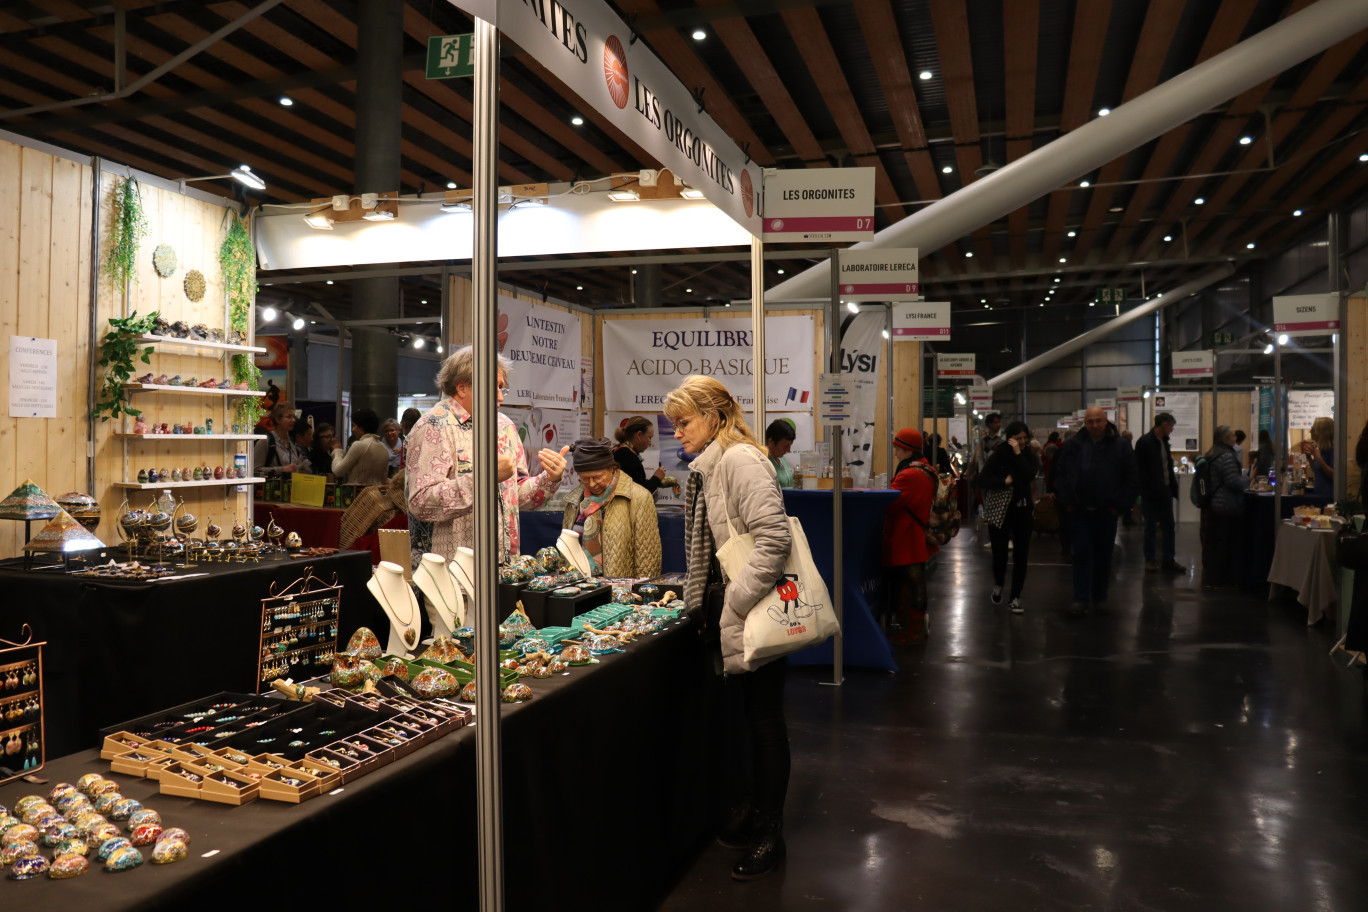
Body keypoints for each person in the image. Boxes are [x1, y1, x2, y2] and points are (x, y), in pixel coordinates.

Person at [666, 374, 791, 882]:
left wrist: (734, 603)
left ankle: (770, 833)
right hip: (734, 611)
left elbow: (774, 540)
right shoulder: (712, 467)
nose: (677, 433)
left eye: (685, 422)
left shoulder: (739, 461)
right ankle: (751, 811)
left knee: (764, 724)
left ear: (716, 417)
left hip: (752, 610)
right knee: (746, 721)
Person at [406, 346, 568, 563]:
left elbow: (515, 495)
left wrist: (549, 479)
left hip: (502, 568)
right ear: (462, 388)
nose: (500, 397)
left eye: (502, 388)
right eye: (493, 387)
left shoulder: (505, 427)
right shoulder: (434, 426)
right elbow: (421, 502)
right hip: (452, 575)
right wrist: (484, 478)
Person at [1053, 406, 1137, 616]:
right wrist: (1067, 501)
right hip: (1079, 510)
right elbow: (1060, 474)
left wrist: (1120, 506)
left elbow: (1131, 477)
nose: (1094, 425)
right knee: (1080, 554)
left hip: (1107, 511)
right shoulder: (1073, 445)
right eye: (1090, 421)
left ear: (1106, 421)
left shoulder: (1121, 446)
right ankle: (1080, 598)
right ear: (1085, 422)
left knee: (1103, 556)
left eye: (1098, 421)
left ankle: (1100, 598)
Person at [560, 437, 662, 579]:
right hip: (579, 588)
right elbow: (566, 549)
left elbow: (647, 557)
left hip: (620, 593)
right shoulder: (574, 500)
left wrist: (641, 593)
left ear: (612, 468)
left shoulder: (639, 497)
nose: (592, 484)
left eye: (597, 477)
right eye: (584, 478)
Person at [882, 428, 937, 641]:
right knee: (915, 583)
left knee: (911, 585)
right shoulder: (925, 469)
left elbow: (891, 504)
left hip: (906, 537)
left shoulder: (908, 475)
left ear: (907, 450)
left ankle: (911, 631)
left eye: (898, 449)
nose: (895, 453)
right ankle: (914, 628)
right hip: (917, 535)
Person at [978, 421, 1038, 614]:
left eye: (1024, 438)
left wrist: (1019, 453)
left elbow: (1029, 475)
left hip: (1022, 510)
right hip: (1001, 509)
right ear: (1010, 437)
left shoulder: (1028, 455)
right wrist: (1003, 482)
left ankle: (1016, 597)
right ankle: (999, 583)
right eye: (1018, 438)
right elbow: (982, 479)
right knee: (999, 553)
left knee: (1021, 554)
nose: (1021, 442)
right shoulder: (1000, 453)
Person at [1134, 412, 1185, 573]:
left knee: (1168, 526)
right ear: (1164, 425)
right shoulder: (1145, 442)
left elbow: (1166, 466)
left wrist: (1171, 487)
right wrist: (1143, 489)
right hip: (1150, 492)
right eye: (1171, 426)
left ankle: (1168, 560)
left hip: (1165, 490)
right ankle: (1150, 560)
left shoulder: (1164, 441)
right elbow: (1139, 468)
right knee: (1150, 526)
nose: (1171, 430)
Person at [1201, 425, 1247, 589]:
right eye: (1233, 436)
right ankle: (1221, 579)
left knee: (1215, 542)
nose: (1236, 439)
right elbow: (1233, 481)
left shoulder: (1213, 453)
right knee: (1225, 543)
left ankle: (1212, 577)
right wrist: (1249, 479)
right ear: (1226, 439)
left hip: (1215, 504)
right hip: (1226, 505)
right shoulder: (1227, 456)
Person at [330, 409, 390, 486]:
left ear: (362, 428)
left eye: (354, 425)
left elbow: (338, 471)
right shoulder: (383, 447)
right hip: (376, 496)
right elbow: (383, 479)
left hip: (358, 495)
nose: (352, 429)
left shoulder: (359, 445)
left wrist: (337, 451)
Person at [612, 415, 665, 493]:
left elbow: (634, 483)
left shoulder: (619, 451)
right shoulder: (628, 457)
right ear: (639, 435)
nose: (650, 443)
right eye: (649, 437)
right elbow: (640, 493)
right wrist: (656, 478)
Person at [254, 401, 309, 476]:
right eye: (289, 417)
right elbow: (255, 470)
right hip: (271, 486)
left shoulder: (292, 443)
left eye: (294, 417)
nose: (293, 420)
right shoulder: (266, 441)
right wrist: (283, 469)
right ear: (277, 419)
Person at [1300, 416, 1334, 499]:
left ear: (1322, 432)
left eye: (1314, 429)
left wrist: (1319, 458)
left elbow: (1335, 476)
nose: (1310, 431)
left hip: (1329, 496)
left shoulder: (1333, 450)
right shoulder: (1321, 449)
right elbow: (1318, 470)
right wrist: (1308, 456)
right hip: (1319, 494)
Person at [763, 419, 797, 488]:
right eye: (785, 446)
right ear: (771, 441)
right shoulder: (763, 461)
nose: (788, 450)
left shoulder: (781, 459)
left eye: (790, 446)